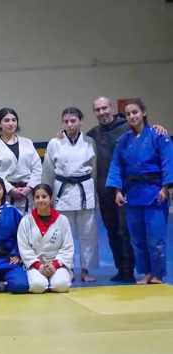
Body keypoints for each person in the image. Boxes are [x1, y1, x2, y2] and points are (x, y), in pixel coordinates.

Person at [87, 97, 167, 282]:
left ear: (112, 108)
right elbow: (76, 138)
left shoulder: (129, 129)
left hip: (131, 191)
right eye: (98, 110)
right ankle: (123, 270)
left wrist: (165, 186)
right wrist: (61, 134)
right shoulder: (95, 134)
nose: (102, 112)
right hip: (108, 190)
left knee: (129, 232)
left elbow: (161, 155)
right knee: (114, 232)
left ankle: (136, 269)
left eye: (105, 108)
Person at [106, 99, 173, 284]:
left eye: (135, 112)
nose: (132, 116)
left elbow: (168, 161)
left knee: (156, 237)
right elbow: (116, 166)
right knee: (137, 239)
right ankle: (146, 273)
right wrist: (117, 191)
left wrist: (165, 187)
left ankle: (158, 274)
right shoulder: (123, 140)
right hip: (132, 193)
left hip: (154, 192)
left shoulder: (158, 136)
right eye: (128, 114)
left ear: (143, 112)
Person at [43, 107, 99, 282]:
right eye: (66, 121)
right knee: (64, 234)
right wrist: (47, 194)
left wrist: (94, 191)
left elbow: (94, 169)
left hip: (85, 191)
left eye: (73, 121)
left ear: (81, 121)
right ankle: (67, 268)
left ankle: (86, 270)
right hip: (63, 191)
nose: (69, 124)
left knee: (88, 233)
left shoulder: (89, 142)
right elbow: (48, 170)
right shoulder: (54, 143)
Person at [18, 184, 74, 293]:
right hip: (35, 264)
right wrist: (38, 265)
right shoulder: (26, 221)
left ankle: (58, 277)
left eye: (44, 196)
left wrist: (55, 265)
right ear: (33, 199)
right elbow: (24, 248)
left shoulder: (62, 220)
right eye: (37, 197)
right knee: (37, 286)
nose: (40, 200)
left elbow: (67, 247)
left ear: (51, 198)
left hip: (57, 264)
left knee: (61, 286)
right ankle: (42, 279)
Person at [0, 108, 42, 213]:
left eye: (14, 120)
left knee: (28, 222)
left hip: (28, 194)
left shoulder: (27, 143)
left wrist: (29, 187)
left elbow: (37, 167)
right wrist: (10, 189)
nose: (11, 123)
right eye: (6, 120)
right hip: (6, 195)